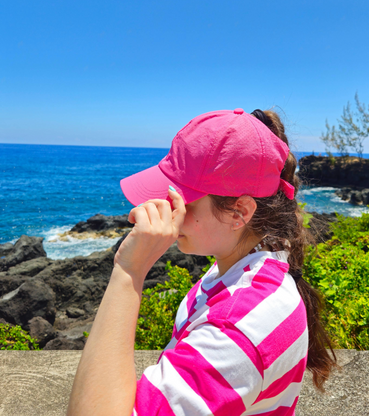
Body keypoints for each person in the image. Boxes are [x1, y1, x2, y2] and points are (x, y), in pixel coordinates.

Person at [67, 108, 337, 416]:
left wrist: (129, 272)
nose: (166, 208)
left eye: (182, 199)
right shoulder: (238, 270)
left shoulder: (239, 326)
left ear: (239, 213)